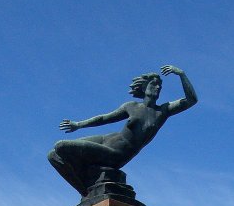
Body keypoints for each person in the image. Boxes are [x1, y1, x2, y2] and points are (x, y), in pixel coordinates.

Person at [48, 65, 198, 196]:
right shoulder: (131, 105)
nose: (157, 88)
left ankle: (86, 189)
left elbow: (191, 100)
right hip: (105, 140)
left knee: (62, 147)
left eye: (160, 86)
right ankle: (86, 189)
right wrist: (78, 124)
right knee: (53, 156)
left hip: (117, 154)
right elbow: (104, 118)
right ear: (144, 87)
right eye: (154, 84)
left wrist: (181, 74)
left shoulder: (163, 111)